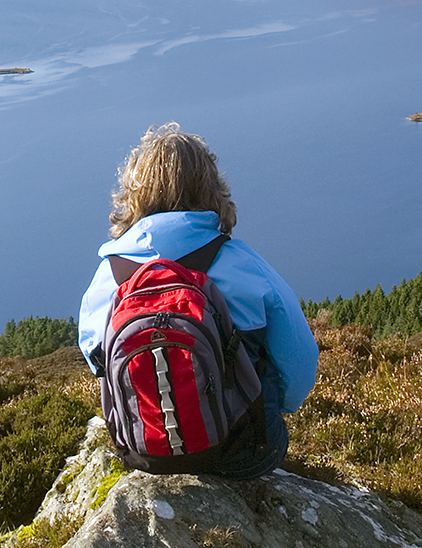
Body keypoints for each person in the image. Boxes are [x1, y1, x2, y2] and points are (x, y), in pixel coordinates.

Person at [78, 123, 318, 478]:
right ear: (211, 187)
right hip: (242, 454)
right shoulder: (244, 265)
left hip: (143, 453)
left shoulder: (108, 277)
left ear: (133, 194)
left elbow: (97, 360)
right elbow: (300, 363)